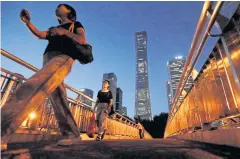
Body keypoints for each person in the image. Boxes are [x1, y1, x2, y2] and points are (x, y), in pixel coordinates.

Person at [1, 4, 89, 150]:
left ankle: (2, 129)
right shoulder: (54, 28)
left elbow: (82, 40)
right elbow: (40, 35)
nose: (56, 8)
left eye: (60, 6)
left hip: (63, 58)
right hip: (48, 59)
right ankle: (72, 134)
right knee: (58, 98)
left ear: (69, 12)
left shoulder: (75, 24)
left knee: (34, 85)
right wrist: (28, 23)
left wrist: (64, 32)